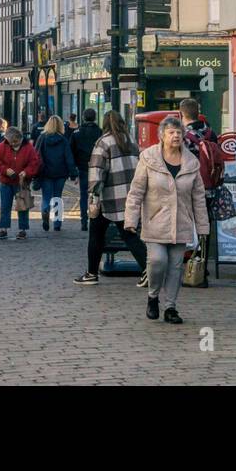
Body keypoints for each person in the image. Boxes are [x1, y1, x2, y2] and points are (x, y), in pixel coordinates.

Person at [124, 115, 209, 325]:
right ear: (162, 136)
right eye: (171, 132)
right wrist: (131, 220)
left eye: (179, 133)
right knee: (158, 261)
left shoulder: (191, 163)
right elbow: (136, 191)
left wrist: (202, 227)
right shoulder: (148, 158)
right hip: (155, 221)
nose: (176, 136)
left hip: (181, 222)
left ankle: (170, 307)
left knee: (175, 266)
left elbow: (198, 198)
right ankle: (153, 296)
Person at [75, 110, 149, 286]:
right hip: (130, 196)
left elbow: (96, 173)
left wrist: (93, 198)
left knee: (96, 235)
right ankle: (148, 269)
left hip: (109, 199)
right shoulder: (131, 141)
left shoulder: (103, 142)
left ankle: (92, 273)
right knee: (129, 234)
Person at [0, 126, 40, 239]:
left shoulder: (28, 147)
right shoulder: (2, 146)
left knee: (23, 206)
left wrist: (26, 172)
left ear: (19, 138)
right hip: (6, 181)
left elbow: (34, 162)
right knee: (5, 206)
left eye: (14, 142)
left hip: (22, 182)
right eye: (10, 141)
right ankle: (3, 229)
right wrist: (5, 170)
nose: (12, 144)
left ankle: (22, 230)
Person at [36, 115, 77, 232]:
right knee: (57, 197)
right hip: (60, 173)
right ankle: (57, 223)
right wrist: (73, 173)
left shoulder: (42, 138)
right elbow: (69, 158)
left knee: (46, 196)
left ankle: (45, 210)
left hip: (45, 172)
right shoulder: (63, 140)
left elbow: (36, 155)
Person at [180, 97, 224, 190]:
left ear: (182, 114)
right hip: (211, 182)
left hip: (191, 185)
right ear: (197, 113)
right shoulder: (210, 133)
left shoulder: (184, 136)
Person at [70, 108, 101, 231]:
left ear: (83, 117)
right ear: (94, 117)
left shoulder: (77, 133)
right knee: (97, 195)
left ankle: (84, 221)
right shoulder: (100, 132)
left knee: (83, 195)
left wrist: (73, 170)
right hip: (98, 167)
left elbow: (71, 152)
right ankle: (95, 219)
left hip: (82, 168)